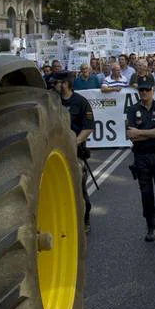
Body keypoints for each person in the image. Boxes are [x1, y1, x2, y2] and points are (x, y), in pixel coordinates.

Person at [127, 74, 155, 246]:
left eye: (147, 89)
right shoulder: (132, 110)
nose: (144, 92)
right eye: (141, 90)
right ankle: (150, 225)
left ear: (153, 90)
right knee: (146, 194)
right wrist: (151, 133)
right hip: (141, 157)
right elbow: (131, 136)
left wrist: (141, 132)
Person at [52, 70, 95, 231]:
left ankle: (85, 218)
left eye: (60, 82)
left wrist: (75, 142)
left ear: (67, 84)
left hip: (75, 150)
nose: (57, 85)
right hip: (55, 151)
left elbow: (88, 127)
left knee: (79, 186)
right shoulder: (53, 102)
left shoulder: (80, 101)